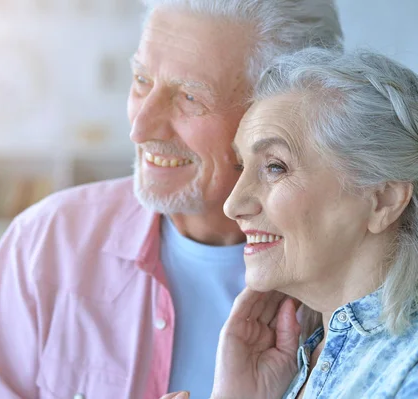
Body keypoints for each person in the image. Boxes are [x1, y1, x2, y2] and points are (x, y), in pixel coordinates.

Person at [0, 2, 342, 398]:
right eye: (141, 79)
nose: (140, 127)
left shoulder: (351, 273)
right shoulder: (46, 242)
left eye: (189, 96)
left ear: (285, 114)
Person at [163, 48, 418, 399]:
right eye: (242, 167)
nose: (233, 205)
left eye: (275, 167)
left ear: (384, 200)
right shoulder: (302, 362)